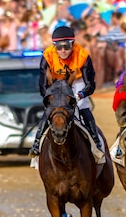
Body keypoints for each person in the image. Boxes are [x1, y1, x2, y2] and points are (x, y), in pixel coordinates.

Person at [28, 26, 102, 158]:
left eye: (67, 47)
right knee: (51, 108)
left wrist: (80, 95)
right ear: (54, 46)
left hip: (77, 82)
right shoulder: (47, 55)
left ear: (73, 44)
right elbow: (42, 85)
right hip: (56, 83)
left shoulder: (83, 55)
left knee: (83, 105)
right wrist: (50, 99)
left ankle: (96, 141)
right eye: (59, 47)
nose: (63, 51)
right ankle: (37, 142)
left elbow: (90, 84)